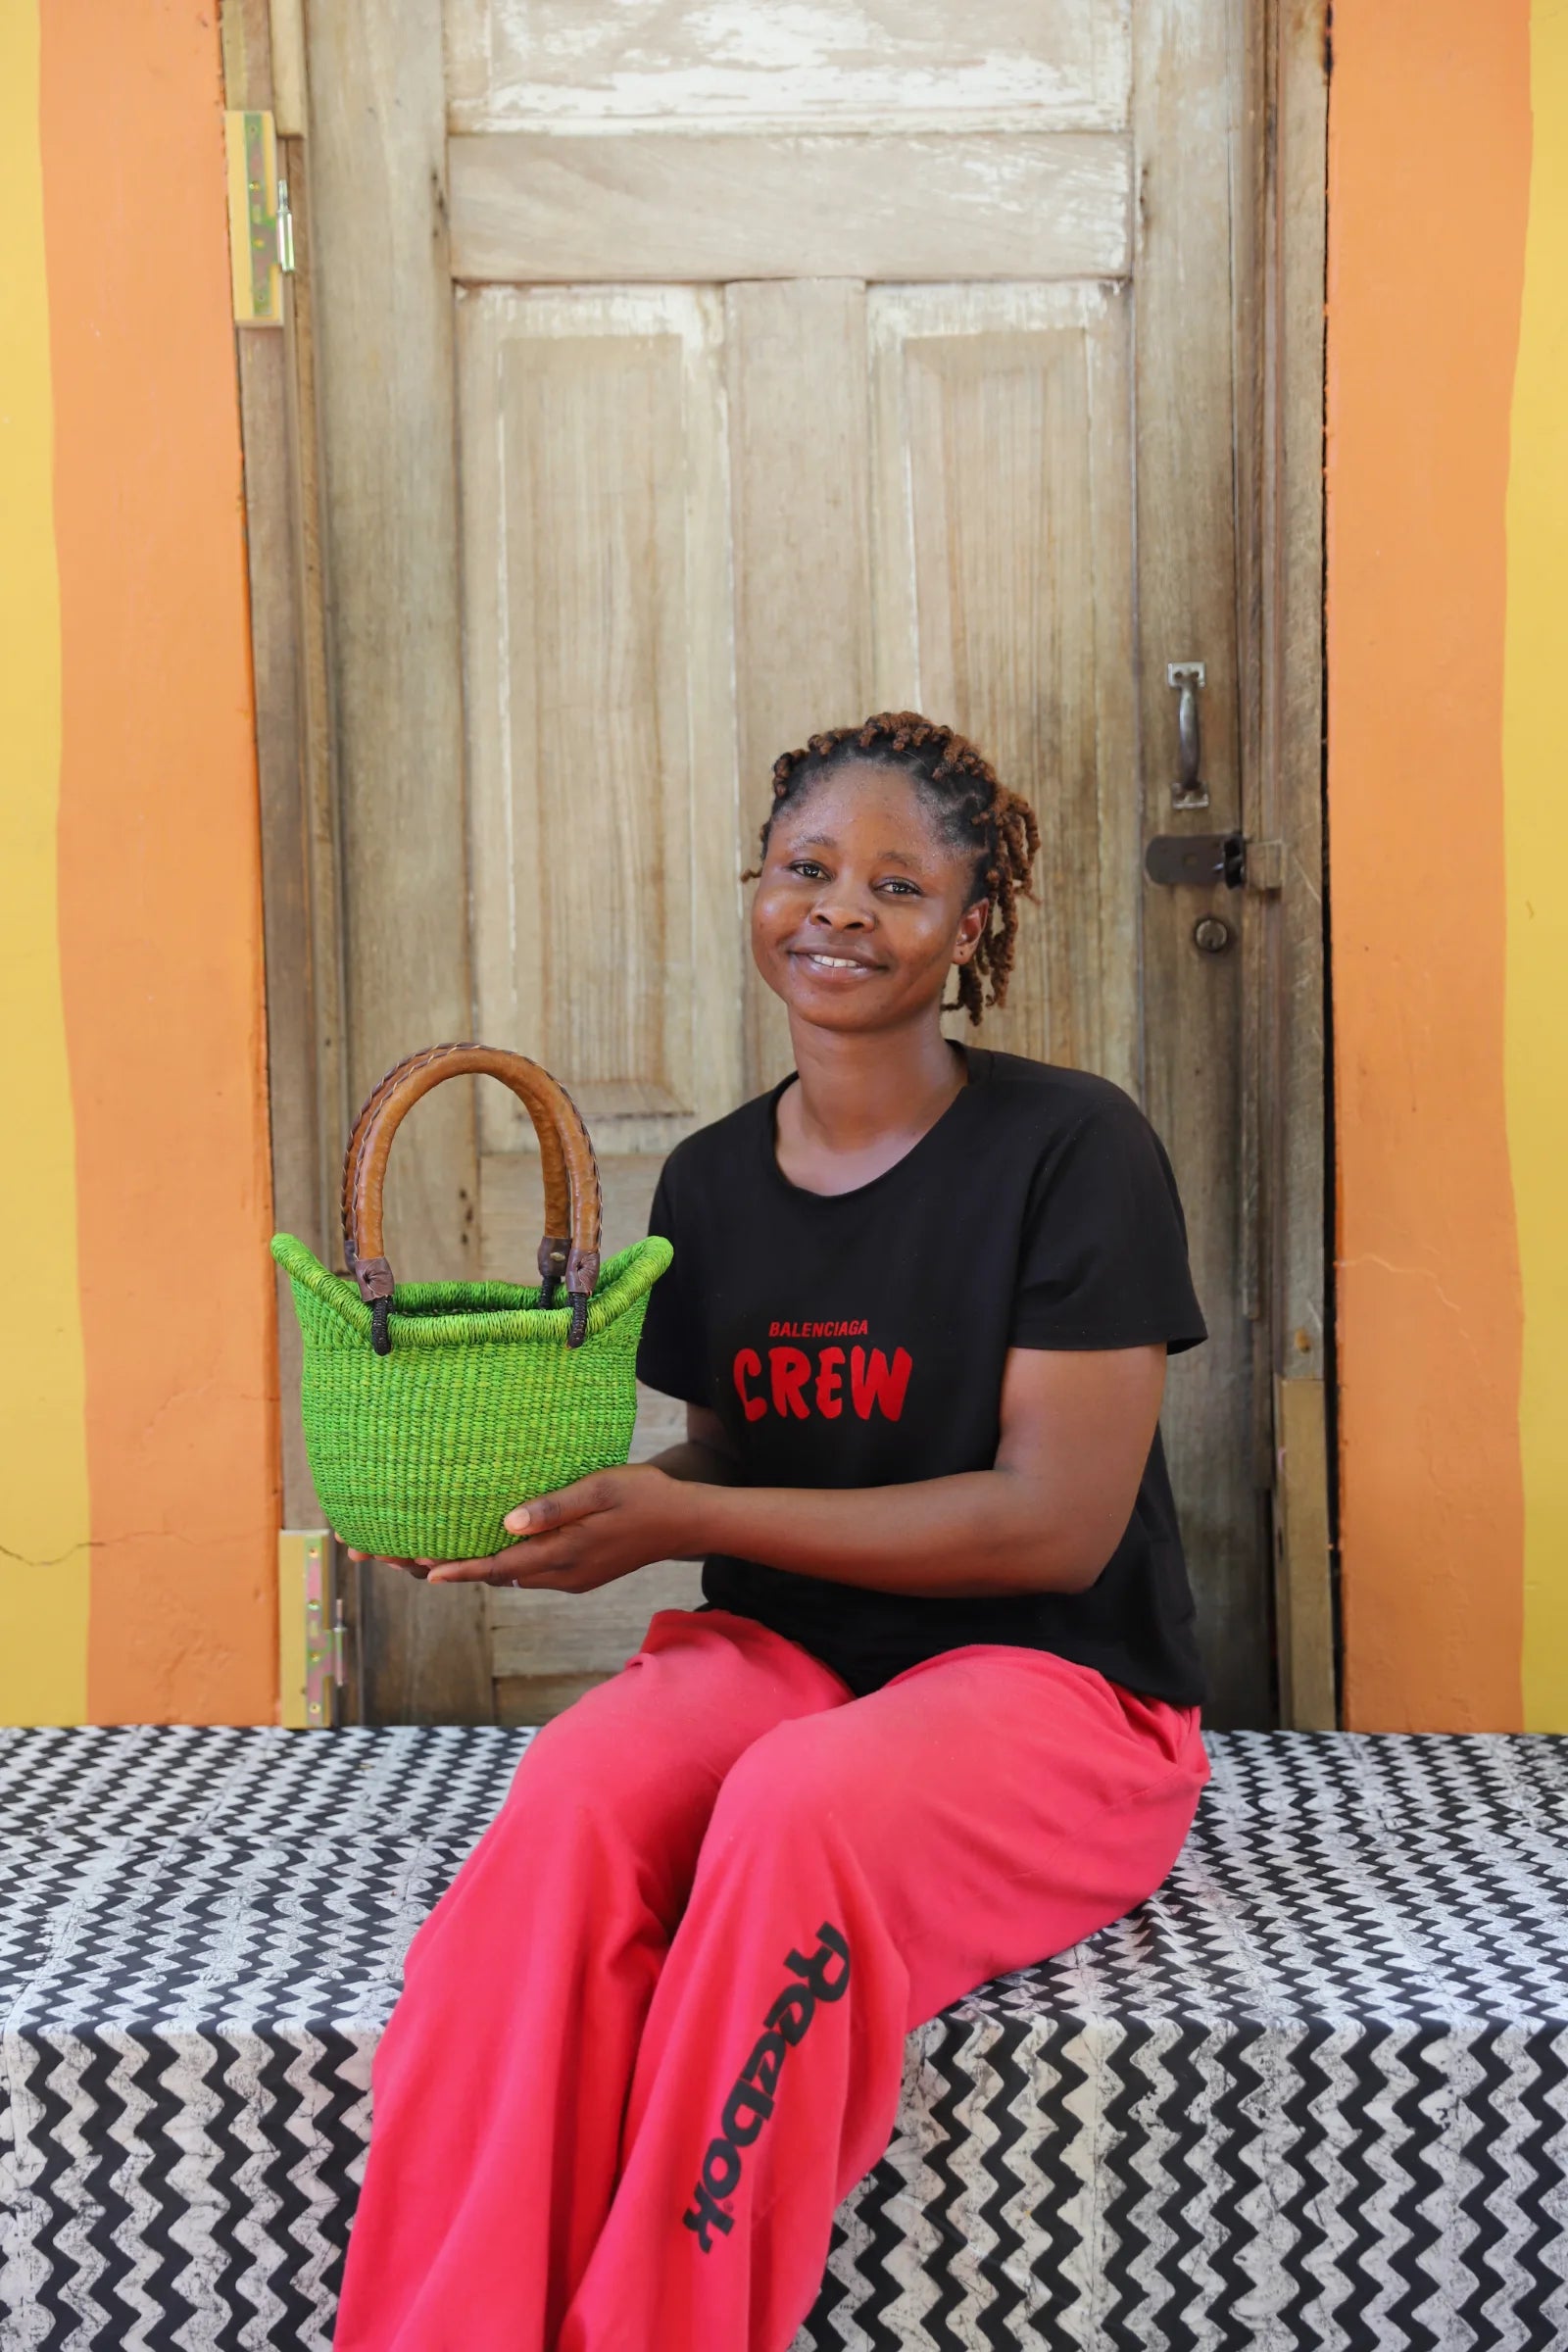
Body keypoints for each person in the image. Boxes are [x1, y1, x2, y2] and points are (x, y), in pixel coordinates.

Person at [332, 712, 1211, 2352]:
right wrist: (552, 1510)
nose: (840, 911)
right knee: (583, 1792)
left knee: (798, 1812)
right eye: (807, 868)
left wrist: (680, 1518)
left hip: (1058, 1694)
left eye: (899, 882)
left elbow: (1053, 1528)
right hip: (790, 1655)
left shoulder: (1072, 1148)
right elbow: (743, 1466)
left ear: (971, 927)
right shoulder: (720, 1181)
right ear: (757, 887)